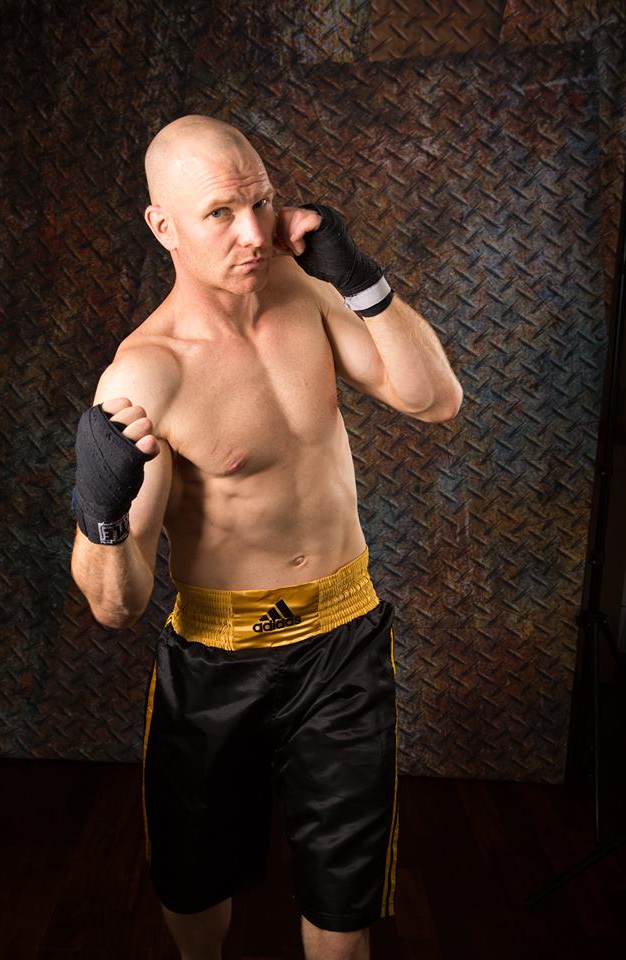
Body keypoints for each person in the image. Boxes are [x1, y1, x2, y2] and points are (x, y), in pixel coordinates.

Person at [71, 114, 462, 960]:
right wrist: (100, 516)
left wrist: (363, 283)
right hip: (219, 662)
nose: (253, 233)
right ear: (163, 226)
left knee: (344, 906)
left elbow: (436, 400)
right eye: (220, 213)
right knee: (196, 891)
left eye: (262, 202)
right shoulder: (148, 373)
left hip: (345, 642)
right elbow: (117, 605)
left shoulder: (304, 290)